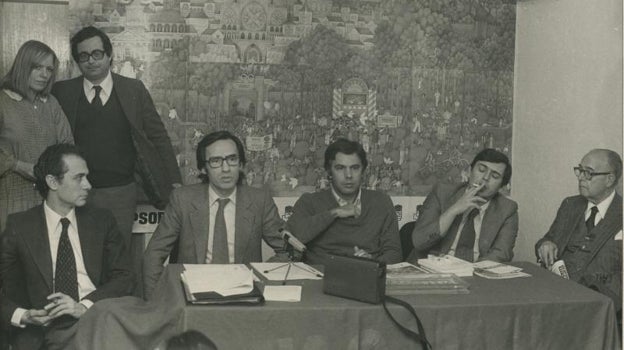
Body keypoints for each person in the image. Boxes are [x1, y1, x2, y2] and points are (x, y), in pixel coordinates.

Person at [51, 26, 181, 247]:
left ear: (109, 55)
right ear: (77, 61)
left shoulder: (134, 90)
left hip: (120, 193)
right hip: (74, 191)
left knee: (116, 258)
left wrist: (174, 180)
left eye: (97, 54)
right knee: (77, 257)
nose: (91, 61)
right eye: (83, 56)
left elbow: (158, 137)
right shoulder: (62, 92)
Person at [0, 144, 133, 350]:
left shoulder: (101, 221)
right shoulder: (20, 226)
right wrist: (23, 315)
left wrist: (84, 306)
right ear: (53, 182)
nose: (88, 185)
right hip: (42, 330)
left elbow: (124, 276)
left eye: (87, 177)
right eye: (78, 177)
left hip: (96, 320)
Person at [142, 131, 285, 299]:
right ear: (204, 168)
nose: (226, 169)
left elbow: (288, 251)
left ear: (240, 164)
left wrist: (258, 279)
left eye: (232, 159)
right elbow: (153, 255)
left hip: (243, 295)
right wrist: (158, 301)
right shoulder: (183, 199)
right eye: (216, 161)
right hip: (192, 292)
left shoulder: (260, 200)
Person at [286, 138, 402, 265]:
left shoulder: (381, 202)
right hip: (322, 278)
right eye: (340, 168)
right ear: (329, 171)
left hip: (366, 277)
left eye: (355, 168)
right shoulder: (309, 201)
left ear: (363, 171)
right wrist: (334, 213)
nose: (348, 175)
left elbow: (394, 253)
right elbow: (293, 236)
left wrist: (373, 263)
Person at [0, 40, 73, 231]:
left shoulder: (51, 104)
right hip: (9, 199)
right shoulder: (3, 101)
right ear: (23, 66)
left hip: (48, 201)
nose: (44, 75)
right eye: (37, 67)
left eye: (49, 69)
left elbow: (67, 146)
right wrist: (16, 165)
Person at [536, 149, 622, 310]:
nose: (581, 177)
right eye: (580, 170)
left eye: (588, 173)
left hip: (602, 306)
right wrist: (545, 244)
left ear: (610, 179)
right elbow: (548, 238)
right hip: (556, 296)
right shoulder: (570, 205)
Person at [410, 148, 518, 262]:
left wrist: (471, 272)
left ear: (501, 186)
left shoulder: (507, 209)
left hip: (476, 273)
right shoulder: (442, 193)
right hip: (433, 269)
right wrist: (454, 209)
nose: (485, 178)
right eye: (481, 170)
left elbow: (502, 254)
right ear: (470, 171)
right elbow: (419, 242)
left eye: (495, 176)